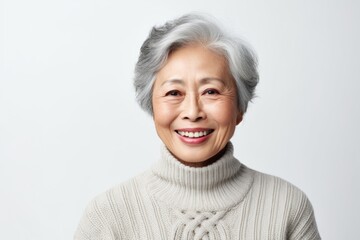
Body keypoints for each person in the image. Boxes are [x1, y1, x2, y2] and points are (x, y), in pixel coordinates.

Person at [74, 13, 321, 240]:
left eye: (210, 91)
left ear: (239, 107)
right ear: (152, 106)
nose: (192, 112)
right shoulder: (107, 216)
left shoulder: (287, 206)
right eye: (173, 92)